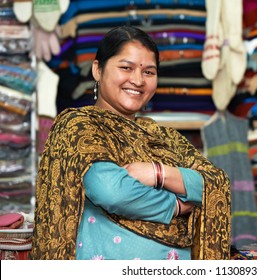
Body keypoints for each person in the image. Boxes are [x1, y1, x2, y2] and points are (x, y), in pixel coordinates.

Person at [30, 25, 231, 260]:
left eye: (149, 72)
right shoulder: (78, 125)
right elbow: (110, 190)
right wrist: (176, 205)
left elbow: (215, 183)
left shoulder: (163, 136)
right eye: (126, 68)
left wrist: (158, 173)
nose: (138, 80)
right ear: (98, 69)